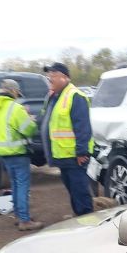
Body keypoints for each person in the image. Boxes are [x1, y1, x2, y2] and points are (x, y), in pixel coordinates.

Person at [39, 62, 94, 217]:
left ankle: (86, 221)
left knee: (80, 191)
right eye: (49, 76)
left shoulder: (75, 96)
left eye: (53, 75)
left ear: (65, 78)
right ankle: (78, 216)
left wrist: (81, 151)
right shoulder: (55, 96)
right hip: (62, 155)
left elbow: (82, 126)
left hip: (75, 156)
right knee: (73, 190)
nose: (50, 79)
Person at [0, 78, 43, 231]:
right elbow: (28, 129)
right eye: (17, 93)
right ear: (13, 91)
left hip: (3, 153)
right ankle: (25, 221)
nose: (18, 96)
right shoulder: (16, 108)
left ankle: (20, 216)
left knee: (15, 185)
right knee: (22, 186)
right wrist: (30, 119)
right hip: (18, 153)